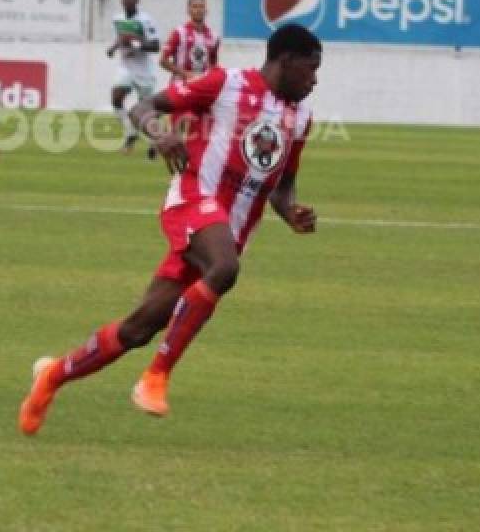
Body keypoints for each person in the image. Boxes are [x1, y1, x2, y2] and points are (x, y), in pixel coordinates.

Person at [19, 23, 322, 436]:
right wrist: (161, 133)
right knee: (226, 269)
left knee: (139, 328)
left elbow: (282, 186)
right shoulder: (225, 84)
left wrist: (291, 213)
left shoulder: (301, 118)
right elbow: (142, 107)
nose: (314, 80)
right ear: (286, 59)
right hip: (194, 200)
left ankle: (52, 376)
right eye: (311, 68)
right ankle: (155, 378)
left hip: (225, 231)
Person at [106, 0, 161, 156]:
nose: (128, 0)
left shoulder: (146, 20)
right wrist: (114, 47)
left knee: (146, 111)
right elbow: (121, 37)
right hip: (126, 68)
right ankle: (130, 132)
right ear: (122, 1)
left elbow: (155, 45)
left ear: (137, 1)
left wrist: (136, 45)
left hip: (144, 71)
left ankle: (154, 142)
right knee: (116, 96)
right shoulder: (117, 19)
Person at [160, 0, 220, 83]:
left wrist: (210, 78)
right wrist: (185, 74)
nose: (198, 10)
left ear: (206, 10)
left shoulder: (214, 36)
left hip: (202, 85)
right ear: (189, 10)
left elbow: (213, 63)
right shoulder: (179, 33)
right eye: (195, 7)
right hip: (180, 83)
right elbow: (163, 61)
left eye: (201, 7)